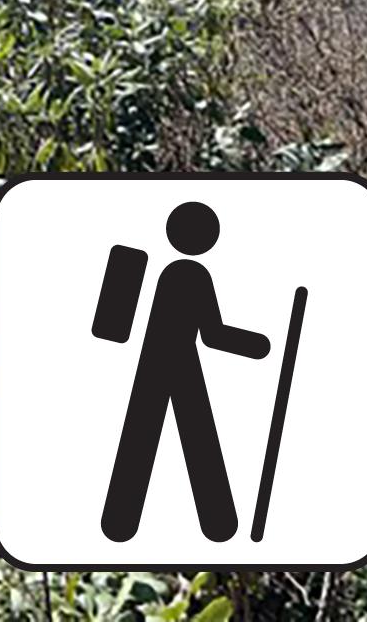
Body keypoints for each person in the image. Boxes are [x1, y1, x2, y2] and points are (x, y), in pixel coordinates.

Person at [102, 200, 271, 543]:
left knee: (146, 440)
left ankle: (120, 525)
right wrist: (260, 345)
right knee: (195, 441)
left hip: (157, 363)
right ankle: (217, 525)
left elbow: (112, 325)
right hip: (175, 364)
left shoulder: (139, 258)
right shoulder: (188, 274)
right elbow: (214, 334)